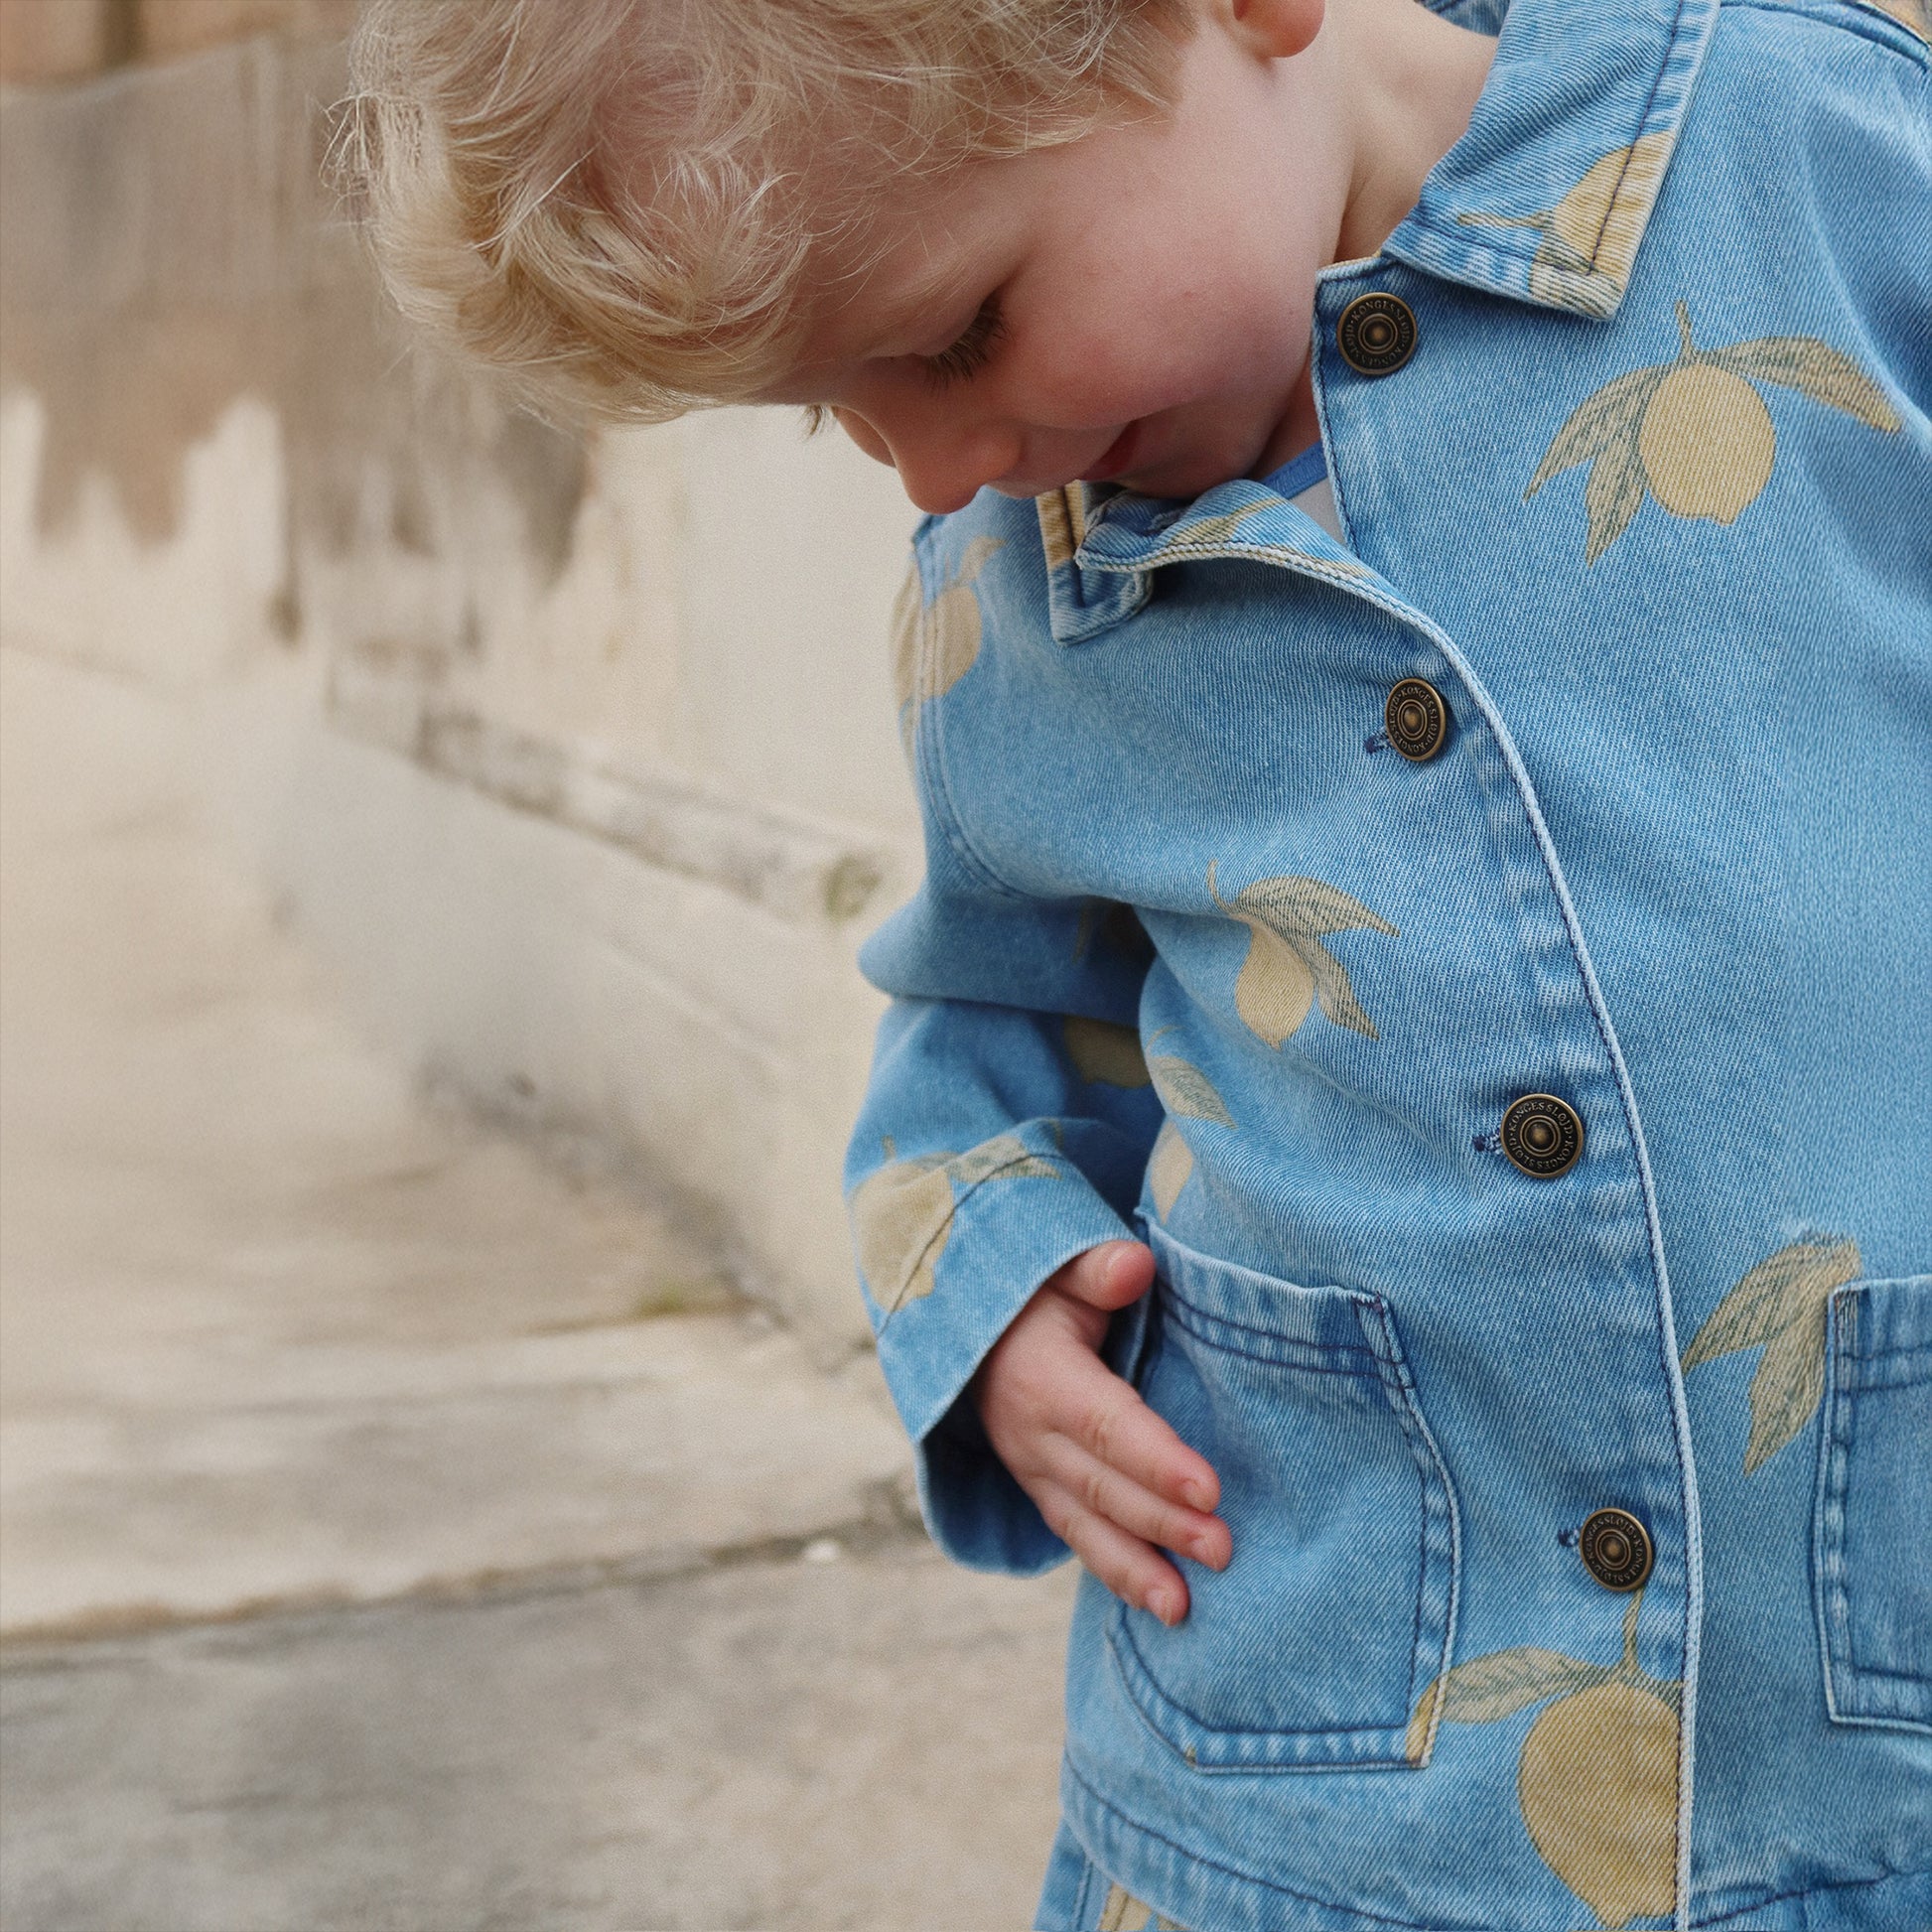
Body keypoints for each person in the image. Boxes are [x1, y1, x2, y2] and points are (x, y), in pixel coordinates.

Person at [345, 0, 1931, 1923]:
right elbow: (979, 1023)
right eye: (833, 405)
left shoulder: (1813, 172)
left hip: (1855, 1738)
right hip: (1320, 1802)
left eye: (951, 335)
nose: (932, 468)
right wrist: (1003, 1301)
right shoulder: (1007, 597)